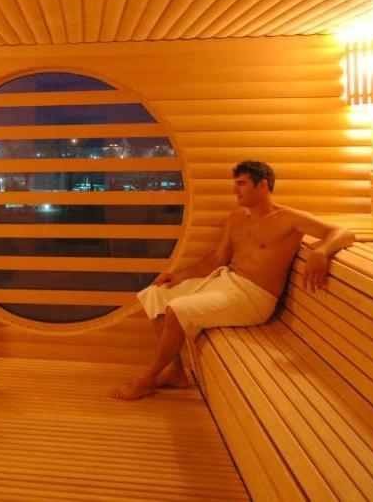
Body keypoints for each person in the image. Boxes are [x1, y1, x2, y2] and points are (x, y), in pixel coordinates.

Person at [111, 161, 354, 401]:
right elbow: (217, 259)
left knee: (175, 311)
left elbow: (343, 233)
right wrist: (180, 276)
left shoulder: (288, 219)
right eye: (235, 184)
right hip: (226, 281)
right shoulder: (237, 217)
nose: (235, 190)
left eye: (241, 184)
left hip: (253, 297)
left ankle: (147, 380)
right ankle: (175, 372)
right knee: (156, 294)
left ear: (262, 186)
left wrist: (321, 252)